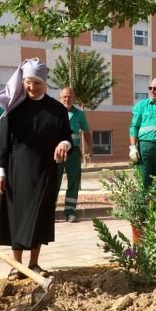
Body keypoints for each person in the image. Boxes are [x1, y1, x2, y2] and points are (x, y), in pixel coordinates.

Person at [0, 58, 73, 280]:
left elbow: (66, 136)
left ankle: (34, 263)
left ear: (45, 83)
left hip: (46, 170)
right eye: (28, 82)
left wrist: (63, 144)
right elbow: (3, 142)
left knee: (40, 215)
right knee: (16, 216)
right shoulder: (14, 107)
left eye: (36, 83)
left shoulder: (57, 110)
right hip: (16, 170)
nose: (31, 87)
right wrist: (0, 171)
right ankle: (16, 265)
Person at [57, 87, 92, 223]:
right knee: (54, 183)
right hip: (58, 153)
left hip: (74, 152)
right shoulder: (55, 112)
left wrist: (90, 148)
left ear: (74, 99)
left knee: (74, 182)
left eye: (70, 97)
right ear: (60, 98)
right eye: (64, 97)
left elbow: (86, 132)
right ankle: (48, 212)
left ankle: (70, 211)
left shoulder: (80, 114)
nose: (67, 99)